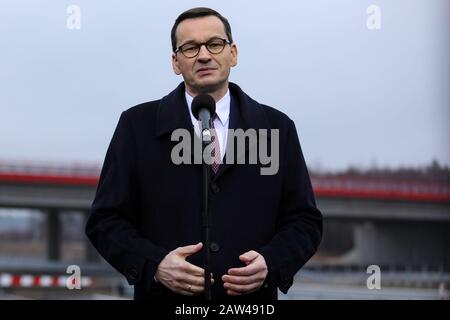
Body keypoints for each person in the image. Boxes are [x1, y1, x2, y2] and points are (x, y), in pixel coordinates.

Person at [86, 7, 322, 300]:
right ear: (175, 62)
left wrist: (271, 264)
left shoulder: (277, 128)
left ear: (233, 53)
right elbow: (105, 221)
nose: (204, 55)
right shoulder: (136, 126)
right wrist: (155, 265)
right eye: (190, 47)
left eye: (214, 44)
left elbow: (304, 222)